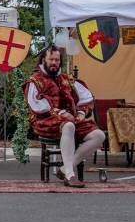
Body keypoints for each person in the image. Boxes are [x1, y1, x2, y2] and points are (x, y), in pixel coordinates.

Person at [25, 45, 105, 187]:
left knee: (99, 136)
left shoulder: (67, 79)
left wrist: (80, 113)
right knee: (68, 125)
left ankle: (64, 169)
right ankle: (70, 175)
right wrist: (61, 113)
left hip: (72, 120)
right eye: (51, 59)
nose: (54, 62)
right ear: (43, 60)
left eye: (57, 59)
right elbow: (35, 104)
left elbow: (86, 97)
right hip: (46, 120)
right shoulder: (35, 80)